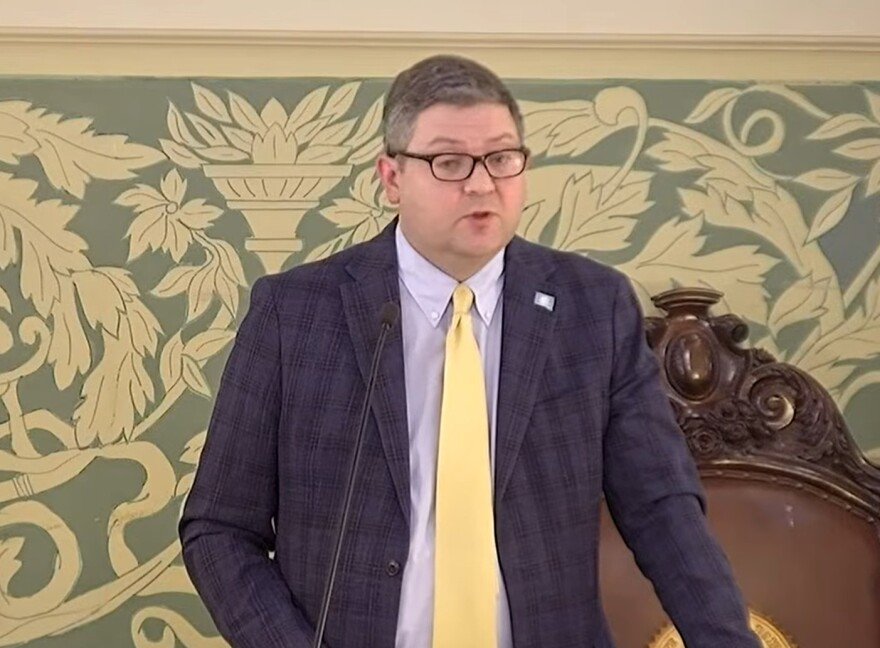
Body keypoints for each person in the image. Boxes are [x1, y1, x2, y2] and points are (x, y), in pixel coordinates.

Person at [179, 54, 761, 648]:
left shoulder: (593, 309)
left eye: (502, 159)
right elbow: (220, 528)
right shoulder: (296, 313)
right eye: (449, 161)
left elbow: (663, 511)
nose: (482, 184)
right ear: (391, 178)